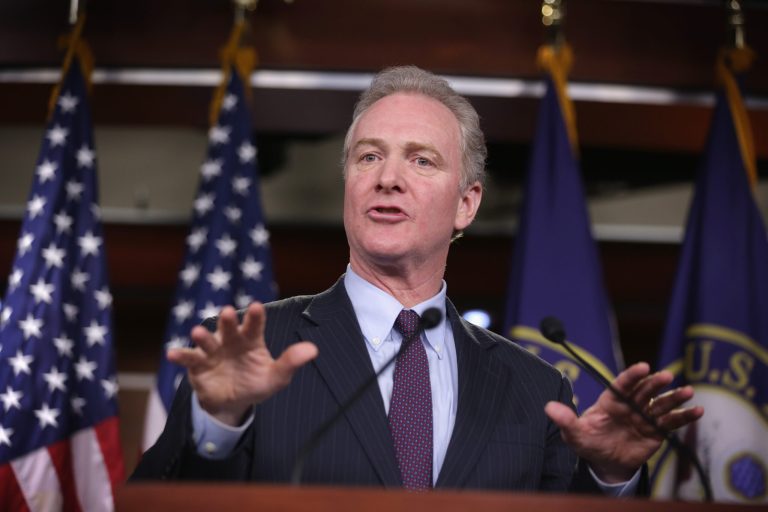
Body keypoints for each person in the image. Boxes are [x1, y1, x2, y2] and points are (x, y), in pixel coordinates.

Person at [132, 66, 703, 492]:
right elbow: (160, 499)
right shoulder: (254, 352)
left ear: (467, 205)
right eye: (368, 157)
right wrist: (219, 425)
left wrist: (608, 474)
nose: (388, 179)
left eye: (421, 160)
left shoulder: (534, 388)